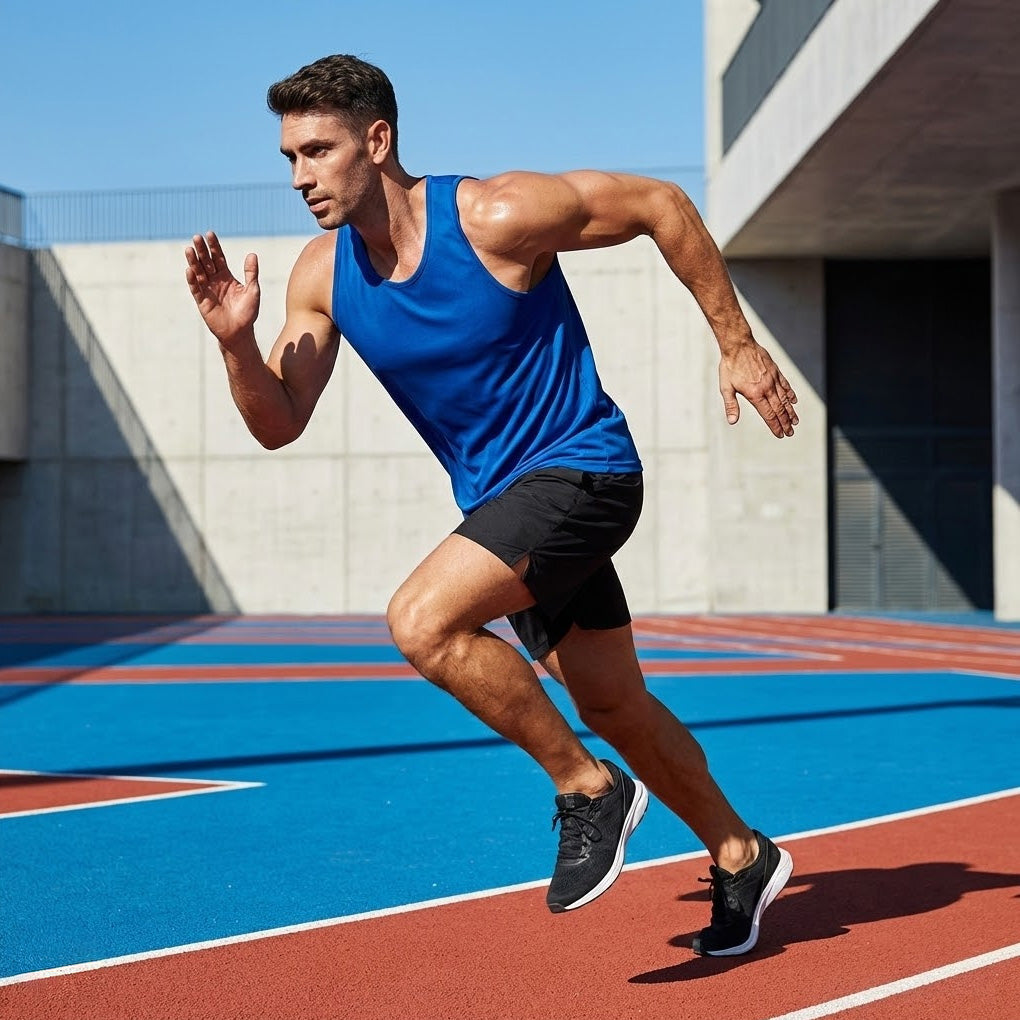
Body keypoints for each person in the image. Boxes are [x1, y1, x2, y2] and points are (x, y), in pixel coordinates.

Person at [185, 54, 796, 956]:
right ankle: (741, 853)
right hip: (510, 507)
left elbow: (662, 206)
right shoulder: (324, 275)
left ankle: (589, 789)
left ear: (378, 140)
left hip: (584, 471)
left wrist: (737, 343)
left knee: (422, 622)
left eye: (318, 150)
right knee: (616, 703)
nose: (300, 176)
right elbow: (279, 422)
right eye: (289, 157)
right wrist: (237, 344)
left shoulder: (496, 215)